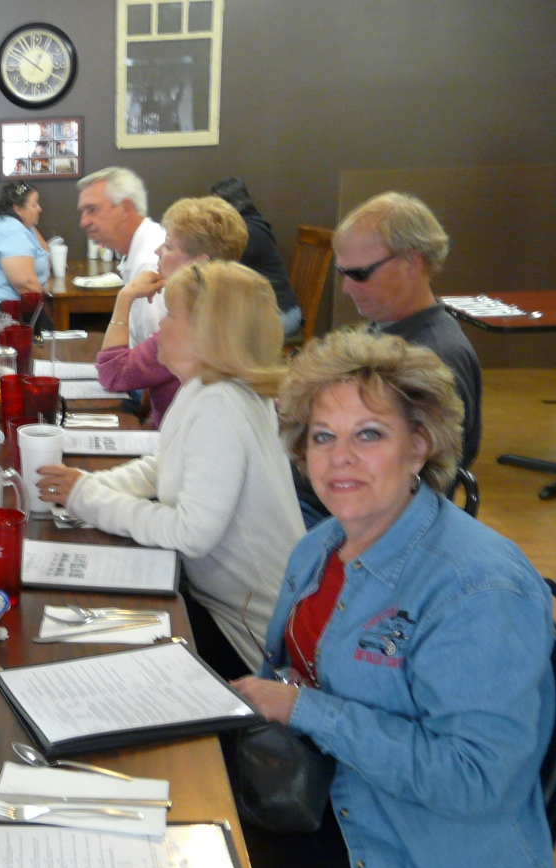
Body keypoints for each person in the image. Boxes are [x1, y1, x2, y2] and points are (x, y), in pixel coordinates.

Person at [231, 329, 554, 868]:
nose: (339, 457)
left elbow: (474, 778)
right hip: (316, 790)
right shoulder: (321, 544)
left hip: (413, 853)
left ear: (421, 445)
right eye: (323, 436)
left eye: (369, 434)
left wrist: (300, 708)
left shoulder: (480, 586)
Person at [38, 262, 304, 677]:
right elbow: (166, 465)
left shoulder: (222, 406)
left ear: (209, 332)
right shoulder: (206, 388)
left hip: (255, 640)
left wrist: (87, 497)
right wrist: (89, 486)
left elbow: (190, 533)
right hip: (221, 606)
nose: (161, 322)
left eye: (172, 314)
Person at [334, 191, 482, 468]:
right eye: (342, 273)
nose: (347, 288)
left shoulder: (435, 357)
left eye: (359, 275)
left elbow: (428, 476)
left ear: (411, 263)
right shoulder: (389, 328)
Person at [96, 196, 248, 427]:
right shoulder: (228, 308)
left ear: (198, 263)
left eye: (168, 246)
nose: (157, 251)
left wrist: (124, 298)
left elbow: (112, 374)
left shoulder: (191, 325)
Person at [76, 166, 167, 345]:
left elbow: (158, 359)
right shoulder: (142, 248)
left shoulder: (149, 261)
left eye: (92, 209)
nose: (83, 222)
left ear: (125, 208)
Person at [210, 176, 301, 336]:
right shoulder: (246, 225)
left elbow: (217, 268)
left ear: (233, 204)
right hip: (264, 310)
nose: (211, 211)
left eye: (217, 206)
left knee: (226, 341)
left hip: (281, 314)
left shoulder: (248, 232)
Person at [0, 182, 51, 308]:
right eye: (34, 204)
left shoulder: (18, 225)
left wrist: (29, 221)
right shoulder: (11, 229)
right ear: (18, 209)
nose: (39, 209)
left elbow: (46, 253)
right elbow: (25, 284)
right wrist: (50, 310)